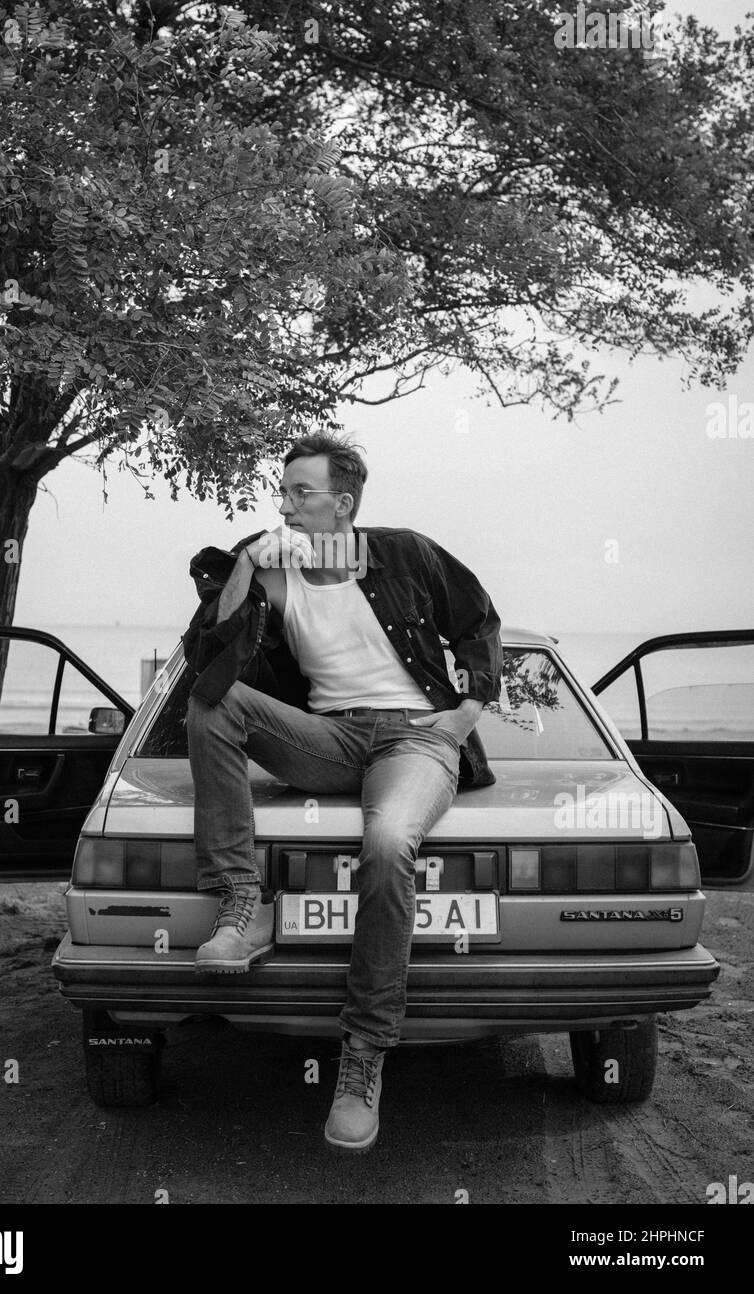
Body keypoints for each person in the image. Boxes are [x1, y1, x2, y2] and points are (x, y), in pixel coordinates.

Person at [182, 431, 502, 1152]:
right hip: (327, 738)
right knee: (213, 703)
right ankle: (240, 901)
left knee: (389, 842)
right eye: (283, 492)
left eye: (303, 494)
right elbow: (206, 660)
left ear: (344, 503)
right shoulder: (269, 565)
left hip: (414, 739)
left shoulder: (407, 553)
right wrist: (245, 564)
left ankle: (362, 1055)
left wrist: (463, 714)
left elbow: (479, 621)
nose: (287, 506)